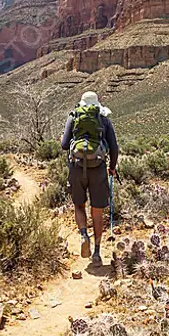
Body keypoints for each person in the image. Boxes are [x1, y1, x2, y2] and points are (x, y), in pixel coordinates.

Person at [60, 91, 118, 264]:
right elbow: (114, 147)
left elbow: (64, 145)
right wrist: (112, 168)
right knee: (97, 210)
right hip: (98, 168)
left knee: (79, 204)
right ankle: (97, 252)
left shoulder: (73, 116)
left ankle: (84, 234)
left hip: (76, 167)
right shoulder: (104, 119)